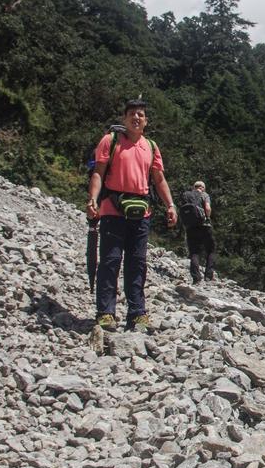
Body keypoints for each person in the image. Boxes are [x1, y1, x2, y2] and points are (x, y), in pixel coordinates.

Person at [86, 99, 177, 332]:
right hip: (112, 209)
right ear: (124, 119)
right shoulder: (111, 141)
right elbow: (98, 172)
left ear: (146, 121)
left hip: (141, 212)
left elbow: (158, 179)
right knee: (110, 261)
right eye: (132, 114)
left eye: (140, 115)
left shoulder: (151, 146)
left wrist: (170, 205)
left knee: (137, 263)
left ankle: (137, 313)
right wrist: (93, 199)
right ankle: (106, 312)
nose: (136, 118)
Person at [181, 180, 215, 283]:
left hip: (191, 227)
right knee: (211, 250)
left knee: (194, 252)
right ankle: (208, 276)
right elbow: (208, 208)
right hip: (204, 226)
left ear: (193, 187)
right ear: (203, 188)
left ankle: (196, 278)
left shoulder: (187, 196)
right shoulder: (204, 195)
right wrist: (207, 217)